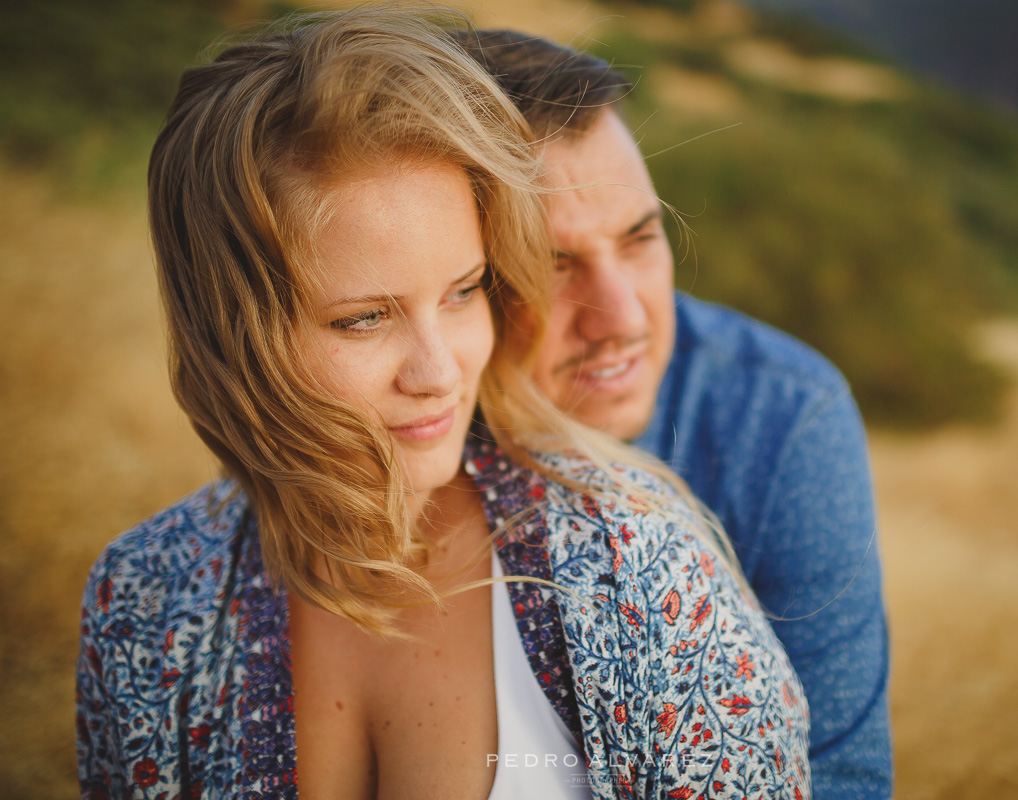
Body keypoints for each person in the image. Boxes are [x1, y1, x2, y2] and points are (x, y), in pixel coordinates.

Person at [75, 8, 812, 800]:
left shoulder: (637, 565)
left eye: (464, 293)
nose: (439, 372)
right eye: (364, 318)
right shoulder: (144, 598)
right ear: (227, 332)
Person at [458, 30, 893, 799]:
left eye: (640, 238)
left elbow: (841, 774)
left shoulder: (782, 413)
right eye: (551, 267)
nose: (622, 318)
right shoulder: (402, 424)